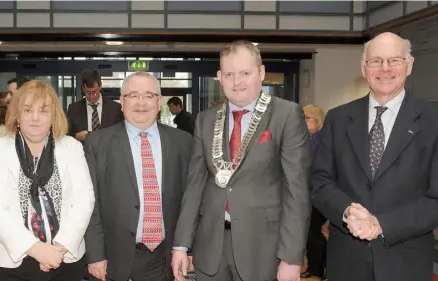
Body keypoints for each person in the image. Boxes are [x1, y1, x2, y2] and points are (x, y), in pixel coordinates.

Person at [172, 40, 311, 281]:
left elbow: (297, 191)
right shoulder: (205, 119)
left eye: (245, 73)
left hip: (264, 250)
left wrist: (291, 258)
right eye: (229, 74)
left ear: (261, 72)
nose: (237, 82)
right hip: (210, 250)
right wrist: (181, 245)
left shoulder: (286, 114)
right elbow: (194, 186)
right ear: (220, 77)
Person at [311, 32, 438, 281]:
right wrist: (346, 211)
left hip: (406, 263)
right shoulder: (338, 119)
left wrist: (381, 224)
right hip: (346, 262)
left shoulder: (433, 121)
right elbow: (320, 182)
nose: (385, 68)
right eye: (376, 61)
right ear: (363, 67)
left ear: (409, 65)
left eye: (394, 60)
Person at [84, 71, 192, 281]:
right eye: (133, 95)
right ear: (122, 102)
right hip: (114, 258)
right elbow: (90, 204)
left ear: (159, 101)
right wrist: (95, 255)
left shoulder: (183, 142)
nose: (141, 103)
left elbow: (191, 199)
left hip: (165, 256)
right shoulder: (97, 143)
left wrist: (188, 248)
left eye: (149, 95)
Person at [0, 80, 95, 281]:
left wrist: (58, 248)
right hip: (10, 262)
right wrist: (36, 249)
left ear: (54, 116)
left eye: (43, 111)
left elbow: (84, 200)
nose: (35, 118)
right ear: (17, 115)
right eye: (28, 110)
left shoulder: (71, 147)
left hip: (63, 258)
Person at [301, 104, 328, 281]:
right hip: (308, 194)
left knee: (313, 232)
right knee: (310, 232)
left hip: (317, 195)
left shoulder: (322, 140)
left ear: (318, 121)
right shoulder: (309, 139)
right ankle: (315, 267)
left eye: (307, 118)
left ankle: (318, 270)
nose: (303, 121)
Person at [67, 69, 123, 142]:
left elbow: (121, 134)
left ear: (100, 86)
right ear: (83, 88)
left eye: (94, 91)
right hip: (83, 151)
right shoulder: (73, 109)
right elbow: (66, 136)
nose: (91, 96)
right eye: (87, 92)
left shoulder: (115, 108)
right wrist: (76, 136)